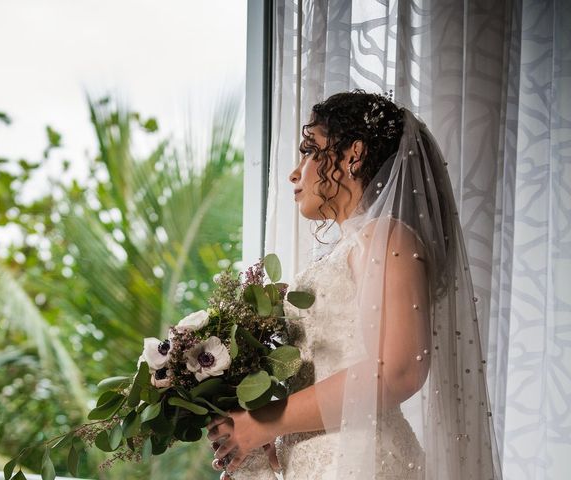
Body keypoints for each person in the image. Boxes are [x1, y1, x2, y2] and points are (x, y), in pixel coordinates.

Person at [206, 90, 503, 479]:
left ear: (353, 156)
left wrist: (267, 421)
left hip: (365, 463)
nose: (295, 173)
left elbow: (399, 371)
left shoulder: (389, 238)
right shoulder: (349, 248)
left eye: (310, 151)